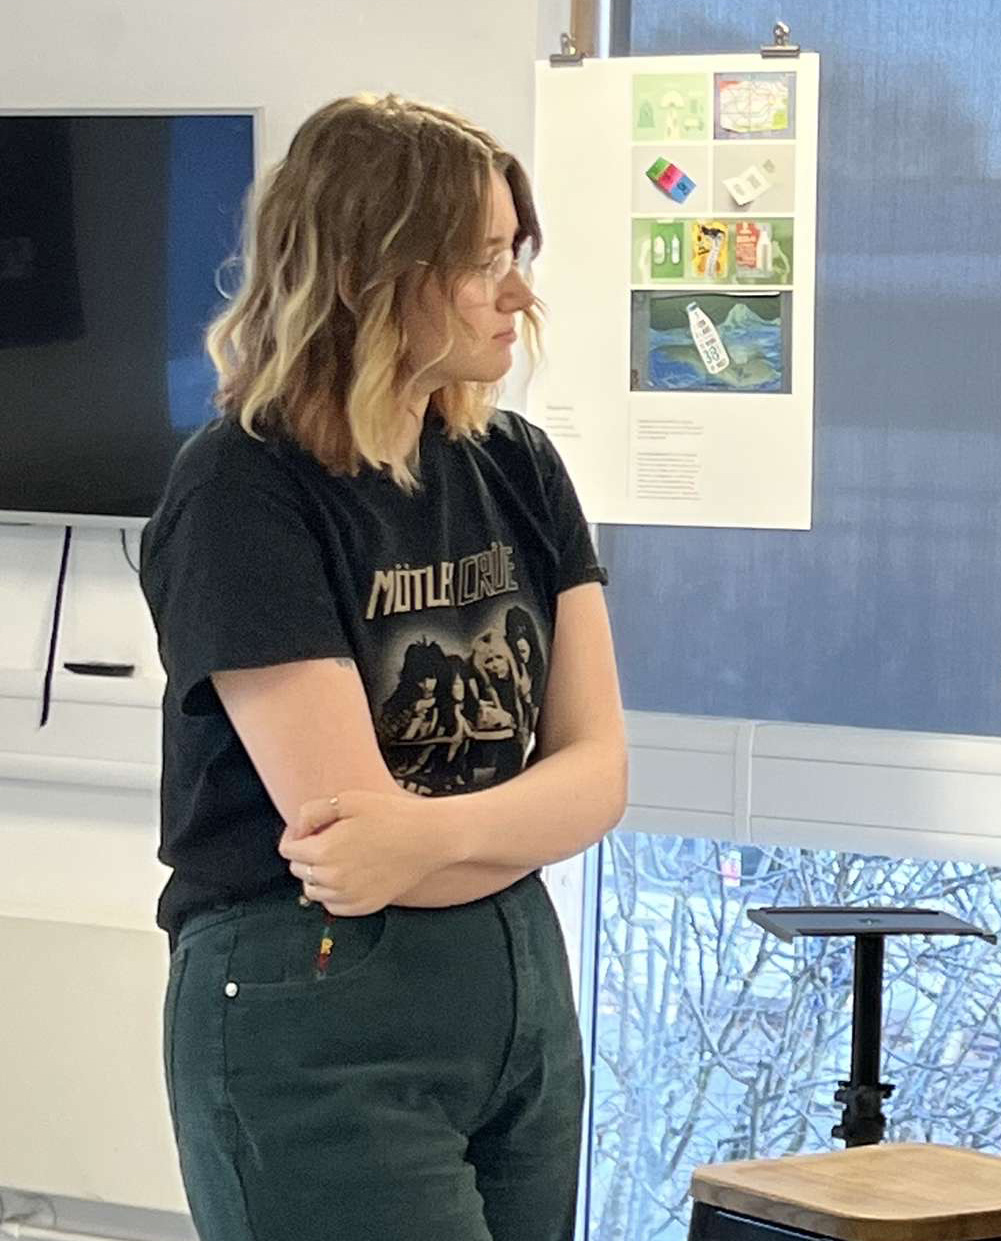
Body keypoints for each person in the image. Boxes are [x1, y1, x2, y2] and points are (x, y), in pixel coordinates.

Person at [139, 94, 628, 1241]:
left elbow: (601, 775)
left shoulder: (518, 463)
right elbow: (347, 842)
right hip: (313, 999)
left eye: (516, 252)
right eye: (482, 260)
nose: (520, 292)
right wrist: (498, 823)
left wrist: (430, 833)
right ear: (371, 272)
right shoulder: (240, 488)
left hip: (516, 995)